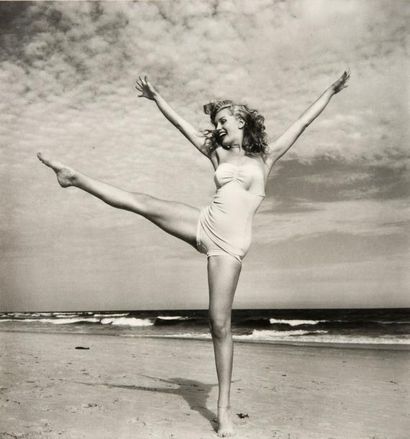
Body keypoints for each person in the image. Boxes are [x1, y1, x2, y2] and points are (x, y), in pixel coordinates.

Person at [37, 70, 350, 437]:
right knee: (143, 202)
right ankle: (74, 178)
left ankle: (224, 410)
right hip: (204, 222)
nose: (217, 127)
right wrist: (157, 99)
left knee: (219, 324)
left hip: (229, 246)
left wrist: (330, 90)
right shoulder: (216, 155)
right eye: (215, 123)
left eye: (223, 121)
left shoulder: (266, 157)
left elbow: (303, 121)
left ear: (242, 121)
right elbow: (182, 127)